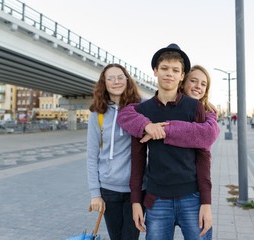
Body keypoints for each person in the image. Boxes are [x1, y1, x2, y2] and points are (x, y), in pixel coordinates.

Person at [128, 43, 213, 239]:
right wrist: (135, 202)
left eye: (176, 70)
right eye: (164, 68)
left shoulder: (194, 108)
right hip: (157, 200)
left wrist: (206, 203)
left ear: (182, 75)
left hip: (192, 198)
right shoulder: (143, 112)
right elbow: (138, 160)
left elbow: (204, 158)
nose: (169, 74)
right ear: (155, 71)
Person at [86, 63, 143, 240]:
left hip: (136, 189)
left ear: (127, 80)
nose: (116, 82)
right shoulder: (98, 113)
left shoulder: (140, 107)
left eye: (120, 77)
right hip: (108, 189)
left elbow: (165, 103)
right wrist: (95, 193)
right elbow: (91, 156)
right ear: (104, 83)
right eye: (110, 78)